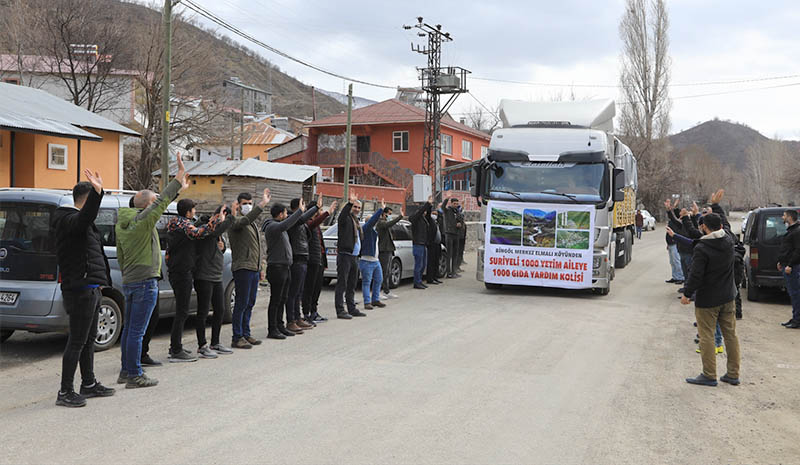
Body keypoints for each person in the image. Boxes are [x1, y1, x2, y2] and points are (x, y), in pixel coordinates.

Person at [117, 157, 187, 388]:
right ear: (148, 205)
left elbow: (121, 256)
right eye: (154, 201)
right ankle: (134, 374)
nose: (158, 204)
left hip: (130, 280)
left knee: (129, 329)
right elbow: (162, 201)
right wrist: (178, 178)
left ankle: (126, 371)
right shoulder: (145, 221)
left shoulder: (124, 223)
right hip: (145, 281)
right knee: (137, 331)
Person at [52, 171, 115, 407]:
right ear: (87, 200)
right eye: (95, 200)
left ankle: (88, 383)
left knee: (89, 340)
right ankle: (65, 391)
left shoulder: (80, 222)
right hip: (79, 290)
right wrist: (97, 194)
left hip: (92, 289)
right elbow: (84, 218)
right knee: (77, 341)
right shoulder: (67, 219)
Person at [681, 212, 741, 387]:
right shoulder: (729, 240)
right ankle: (733, 374)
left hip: (708, 300)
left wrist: (687, 293)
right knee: (731, 335)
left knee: (706, 336)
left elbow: (696, 274)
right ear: (721, 226)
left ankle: (709, 375)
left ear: (704, 227)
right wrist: (716, 206)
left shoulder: (702, 248)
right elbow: (726, 226)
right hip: (728, 296)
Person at [165, 199, 223, 362]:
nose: (195, 212)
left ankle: (176, 346)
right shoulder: (183, 225)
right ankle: (176, 349)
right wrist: (216, 221)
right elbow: (198, 233)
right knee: (182, 312)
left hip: (178, 269)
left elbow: (193, 231)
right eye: (193, 210)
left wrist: (203, 222)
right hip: (182, 271)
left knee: (182, 311)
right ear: (188, 212)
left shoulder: (175, 223)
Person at [262, 197, 318, 339]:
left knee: (283, 298)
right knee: (275, 300)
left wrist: (315, 208)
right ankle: (272, 329)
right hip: (276, 267)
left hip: (285, 267)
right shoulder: (272, 226)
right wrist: (299, 211)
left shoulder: (282, 227)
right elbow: (288, 223)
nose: (287, 216)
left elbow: (299, 220)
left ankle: (280, 326)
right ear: (280, 214)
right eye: (286, 213)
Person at [228, 188, 270, 349]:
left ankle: (246, 333)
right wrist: (262, 204)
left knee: (250, 302)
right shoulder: (236, 221)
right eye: (245, 203)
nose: (248, 206)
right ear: (238, 205)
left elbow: (257, 247)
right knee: (241, 303)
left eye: (250, 203)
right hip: (243, 267)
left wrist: (260, 268)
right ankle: (237, 336)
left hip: (253, 268)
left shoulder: (251, 223)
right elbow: (243, 221)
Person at [193, 204, 235, 357]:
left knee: (220, 309)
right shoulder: (204, 227)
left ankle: (215, 342)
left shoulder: (218, 231)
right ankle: (202, 345)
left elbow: (217, 247)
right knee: (203, 311)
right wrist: (228, 218)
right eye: (222, 216)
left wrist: (222, 248)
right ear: (216, 216)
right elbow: (212, 234)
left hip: (216, 275)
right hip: (203, 275)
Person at [282, 197, 320, 334]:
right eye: (302, 205)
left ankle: (298, 318)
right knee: (293, 293)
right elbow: (302, 219)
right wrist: (315, 208)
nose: (304, 208)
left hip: (303, 258)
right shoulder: (292, 219)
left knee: (299, 292)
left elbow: (310, 224)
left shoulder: (300, 221)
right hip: (296, 259)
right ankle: (291, 320)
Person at [303, 198, 337, 322]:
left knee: (317, 288)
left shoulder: (316, 226)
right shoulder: (308, 223)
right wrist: (328, 213)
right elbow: (313, 223)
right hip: (311, 260)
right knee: (309, 288)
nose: (321, 212)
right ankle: (306, 313)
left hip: (319, 260)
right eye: (319, 209)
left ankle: (314, 311)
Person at [335, 192, 366, 318]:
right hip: (345, 255)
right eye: (355, 207)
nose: (357, 209)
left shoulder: (356, 221)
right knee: (342, 283)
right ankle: (340, 310)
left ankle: (351, 308)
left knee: (352, 284)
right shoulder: (345, 219)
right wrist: (349, 203)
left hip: (354, 256)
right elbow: (341, 216)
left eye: (359, 207)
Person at [359, 200, 387, 309]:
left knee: (379, 279)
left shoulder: (374, 231)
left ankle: (375, 299)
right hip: (366, 260)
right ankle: (367, 302)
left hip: (375, 260)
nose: (376, 222)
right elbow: (372, 221)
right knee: (366, 282)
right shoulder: (366, 229)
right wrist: (381, 209)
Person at [376, 205, 404, 300]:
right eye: (388, 214)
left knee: (387, 272)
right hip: (383, 250)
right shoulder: (381, 223)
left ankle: (386, 291)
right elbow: (389, 224)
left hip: (388, 250)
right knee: (383, 272)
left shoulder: (385, 224)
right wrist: (400, 217)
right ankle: (379, 292)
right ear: (383, 214)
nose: (389, 216)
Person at [779, 209, 800, 328]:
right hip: (787, 265)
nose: (782, 217)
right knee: (793, 294)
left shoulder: (797, 231)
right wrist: (781, 262)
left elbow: (798, 251)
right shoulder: (791, 231)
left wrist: (790, 265)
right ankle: (795, 317)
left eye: (784, 215)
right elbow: (787, 249)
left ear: (790, 217)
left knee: (795, 293)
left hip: (793, 268)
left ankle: (797, 320)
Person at [410, 197, 433, 289]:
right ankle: (417, 282)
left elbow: (428, 215)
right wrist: (427, 203)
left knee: (423, 265)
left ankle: (419, 280)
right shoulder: (415, 218)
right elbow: (420, 212)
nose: (424, 212)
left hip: (423, 244)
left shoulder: (423, 219)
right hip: (418, 243)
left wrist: (430, 206)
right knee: (418, 265)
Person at [664, 198, 684, 285]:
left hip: (675, 243)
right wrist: (668, 244)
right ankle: (675, 276)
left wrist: (673, 208)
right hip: (670, 243)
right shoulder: (672, 222)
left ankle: (680, 277)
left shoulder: (678, 221)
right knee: (672, 262)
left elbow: (674, 214)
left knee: (676, 261)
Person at [443, 198, 463, 278]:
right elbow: (443, 207)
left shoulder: (457, 211)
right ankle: (448, 272)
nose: (456, 205)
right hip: (449, 233)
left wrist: (459, 223)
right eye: (454, 204)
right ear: (451, 203)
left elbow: (461, 219)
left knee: (455, 253)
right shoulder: (447, 211)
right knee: (449, 254)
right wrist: (447, 198)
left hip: (456, 234)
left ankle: (454, 271)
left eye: (457, 204)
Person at [425, 204, 443, 285]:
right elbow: (428, 214)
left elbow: (442, 215)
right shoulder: (430, 220)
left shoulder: (437, 221)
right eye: (433, 213)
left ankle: (435, 277)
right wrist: (430, 205)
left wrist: (439, 209)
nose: (435, 215)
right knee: (431, 262)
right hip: (431, 244)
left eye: (436, 213)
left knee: (436, 261)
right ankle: (430, 278)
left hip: (437, 244)